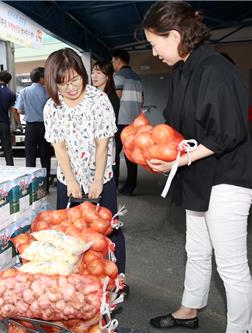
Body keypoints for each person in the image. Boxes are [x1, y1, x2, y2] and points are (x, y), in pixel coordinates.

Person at [143, 2, 252, 331]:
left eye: (154, 44)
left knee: (231, 266)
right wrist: (151, 142)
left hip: (228, 177)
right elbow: (177, 126)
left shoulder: (215, 69)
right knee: (197, 249)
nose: (154, 52)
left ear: (174, 35)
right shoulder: (183, 70)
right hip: (199, 174)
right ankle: (188, 311)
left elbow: (228, 133)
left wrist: (179, 159)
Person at [43, 48, 126, 277]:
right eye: (63, 83)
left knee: (108, 228)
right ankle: (77, 280)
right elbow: (58, 146)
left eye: (75, 80)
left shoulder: (98, 100)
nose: (71, 88)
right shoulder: (52, 106)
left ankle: (117, 277)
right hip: (68, 178)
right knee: (68, 231)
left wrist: (97, 180)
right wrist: (71, 180)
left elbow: (103, 144)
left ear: (82, 73)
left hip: (100, 175)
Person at [111, 49, 143, 195]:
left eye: (113, 61)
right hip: (135, 122)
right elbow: (142, 100)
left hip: (121, 121)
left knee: (114, 153)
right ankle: (130, 186)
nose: (112, 64)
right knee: (131, 155)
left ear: (118, 60)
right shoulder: (137, 77)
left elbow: (117, 98)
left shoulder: (118, 76)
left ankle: (113, 184)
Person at [14, 67, 51, 182]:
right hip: (44, 127)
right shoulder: (47, 91)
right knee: (45, 156)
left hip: (30, 127)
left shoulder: (24, 91)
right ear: (41, 79)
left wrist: (29, 110)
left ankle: (31, 183)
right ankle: (45, 183)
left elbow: (19, 110)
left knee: (30, 156)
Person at [91, 61, 120, 185]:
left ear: (107, 76)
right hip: (91, 143)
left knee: (105, 175)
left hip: (105, 143)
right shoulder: (91, 95)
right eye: (93, 72)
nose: (94, 76)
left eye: (98, 72)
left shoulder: (111, 98)